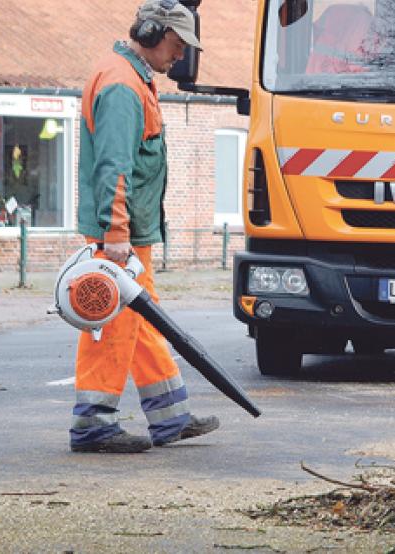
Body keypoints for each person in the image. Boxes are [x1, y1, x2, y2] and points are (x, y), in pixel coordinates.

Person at [70, 0, 220, 454]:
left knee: (145, 323)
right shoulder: (121, 84)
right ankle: (93, 425)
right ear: (153, 33)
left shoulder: (132, 77)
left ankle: (170, 417)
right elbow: (115, 166)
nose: (179, 56)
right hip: (121, 237)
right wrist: (116, 234)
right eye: (176, 45)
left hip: (131, 235)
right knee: (110, 324)